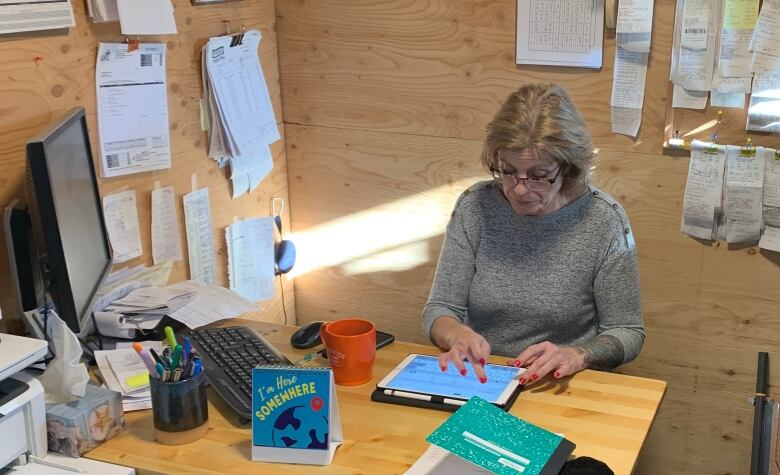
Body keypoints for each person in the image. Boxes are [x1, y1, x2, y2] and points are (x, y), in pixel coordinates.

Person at [421, 83, 645, 385]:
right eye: (508, 170)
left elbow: (628, 331)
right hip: (486, 377)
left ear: (568, 169)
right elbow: (440, 309)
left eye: (539, 175)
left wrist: (578, 354)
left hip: (560, 383)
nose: (520, 188)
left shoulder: (603, 220)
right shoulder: (476, 206)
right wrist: (457, 335)